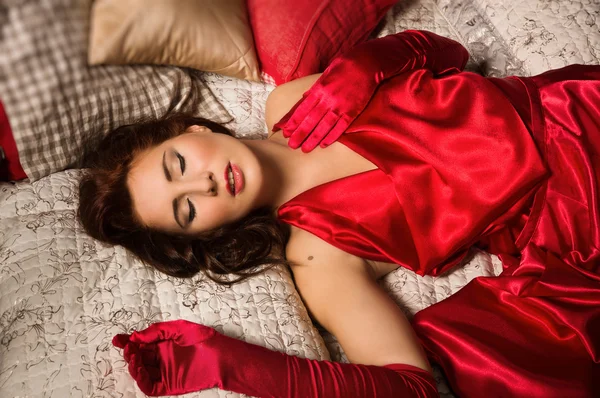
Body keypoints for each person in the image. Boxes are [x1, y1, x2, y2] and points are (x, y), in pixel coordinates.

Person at [78, 30, 600, 397]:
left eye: (180, 165)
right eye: (188, 209)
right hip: (576, 226)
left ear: (192, 132)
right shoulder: (318, 257)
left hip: (576, 106)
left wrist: (378, 58)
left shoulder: (292, 100)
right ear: (209, 231)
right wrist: (231, 365)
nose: (204, 183)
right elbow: (411, 388)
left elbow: (450, 55)